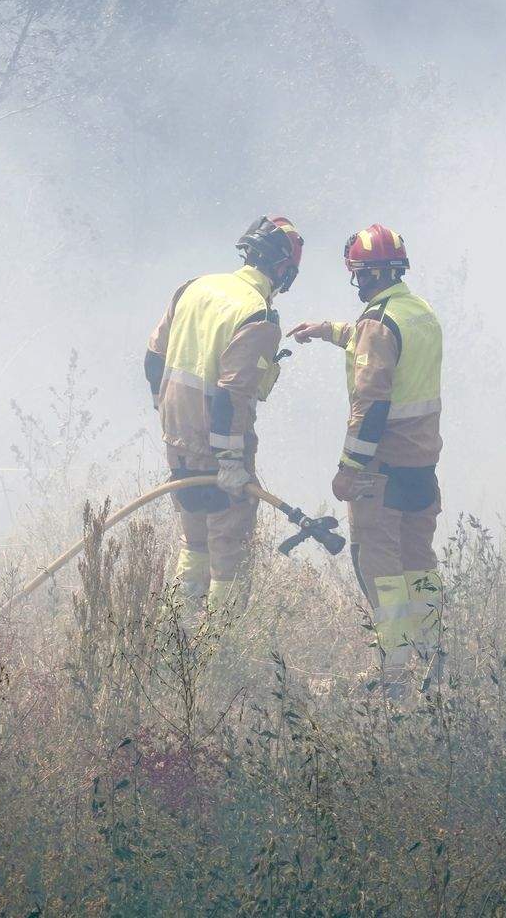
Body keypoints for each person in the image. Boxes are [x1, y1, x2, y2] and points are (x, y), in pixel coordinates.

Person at [288, 224, 443, 690]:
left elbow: (371, 402)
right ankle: (433, 660)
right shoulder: (418, 312)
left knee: (380, 567)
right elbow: (376, 342)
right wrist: (328, 331)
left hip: (381, 470)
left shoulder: (378, 322)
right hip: (422, 466)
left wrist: (348, 470)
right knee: (420, 563)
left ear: (364, 275)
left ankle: (395, 674)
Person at [144, 216, 303, 611]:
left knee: (194, 537)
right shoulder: (258, 315)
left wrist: (165, 409)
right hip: (220, 447)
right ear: (283, 269)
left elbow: (153, 359)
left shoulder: (194, 287)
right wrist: (231, 460)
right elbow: (231, 395)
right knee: (229, 548)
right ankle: (218, 645)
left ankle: (180, 629)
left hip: (176, 437)